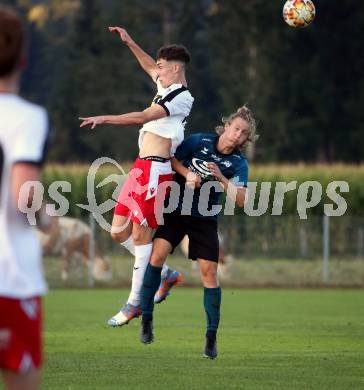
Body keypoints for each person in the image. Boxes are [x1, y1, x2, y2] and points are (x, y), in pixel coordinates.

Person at [79, 27, 194, 326]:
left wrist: (105, 118)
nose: (156, 71)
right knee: (117, 232)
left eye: (161, 66)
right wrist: (131, 42)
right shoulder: (165, 86)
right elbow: (148, 66)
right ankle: (165, 274)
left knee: (142, 237)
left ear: (176, 68)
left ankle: (135, 303)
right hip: (140, 167)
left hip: (157, 170)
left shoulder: (181, 97)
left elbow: (143, 117)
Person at [139, 106, 258, 359]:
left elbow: (242, 200)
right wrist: (187, 173)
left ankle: (211, 338)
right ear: (226, 126)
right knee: (156, 257)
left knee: (210, 274)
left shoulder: (238, 164)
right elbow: (170, 158)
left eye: (244, 133)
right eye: (236, 128)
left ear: (247, 139)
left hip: (204, 218)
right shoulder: (199, 140)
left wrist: (222, 179)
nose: (238, 135)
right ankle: (146, 319)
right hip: (176, 209)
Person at [0, 6, 51, 389]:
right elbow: (24, 198)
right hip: (9, 278)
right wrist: (48, 218)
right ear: (23, 58)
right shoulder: (27, 118)